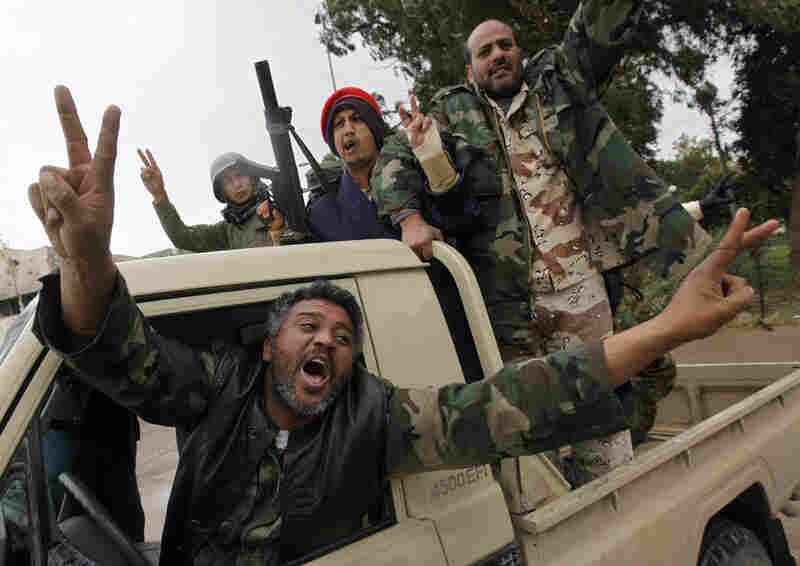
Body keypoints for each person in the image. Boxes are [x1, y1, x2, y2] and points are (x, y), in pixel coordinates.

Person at [26, 85, 777, 566]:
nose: (325, 339)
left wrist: (669, 329)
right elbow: (120, 354)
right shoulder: (217, 390)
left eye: (344, 336)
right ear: (267, 341)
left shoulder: (373, 419)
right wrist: (87, 264)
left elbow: (514, 402)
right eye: (308, 325)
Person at [372, 2, 716, 486]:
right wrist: (410, 219)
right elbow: (393, 156)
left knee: (599, 405)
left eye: (505, 45)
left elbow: (598, 26)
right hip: (508, 304)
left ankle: (613, 508)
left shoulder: (561, 80)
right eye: (485, 51)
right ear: (470, 69)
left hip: (583, 289)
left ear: (521, 53)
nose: (498, 55)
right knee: (526, 427)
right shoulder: (451, 112)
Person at [138, 148, 287, 251]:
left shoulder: (279, 207)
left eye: (240, 175)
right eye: (228, 181)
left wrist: (280, 230)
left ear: (252, 178)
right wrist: (159, 195)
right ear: (222, 191)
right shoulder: (227, 231)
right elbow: (182, 237)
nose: (237, 184)